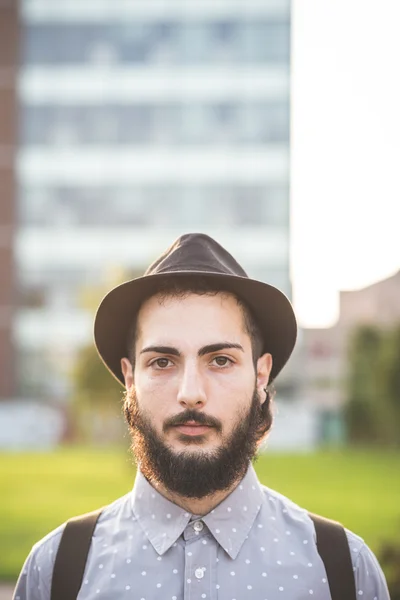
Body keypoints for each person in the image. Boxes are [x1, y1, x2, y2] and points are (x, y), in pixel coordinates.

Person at [13, 233, 390, 600]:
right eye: (162, 362)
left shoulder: (344, 571)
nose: (190, 393)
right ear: (130, 379)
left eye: (221, 360)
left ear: (261, 376)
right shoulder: (56, 571)